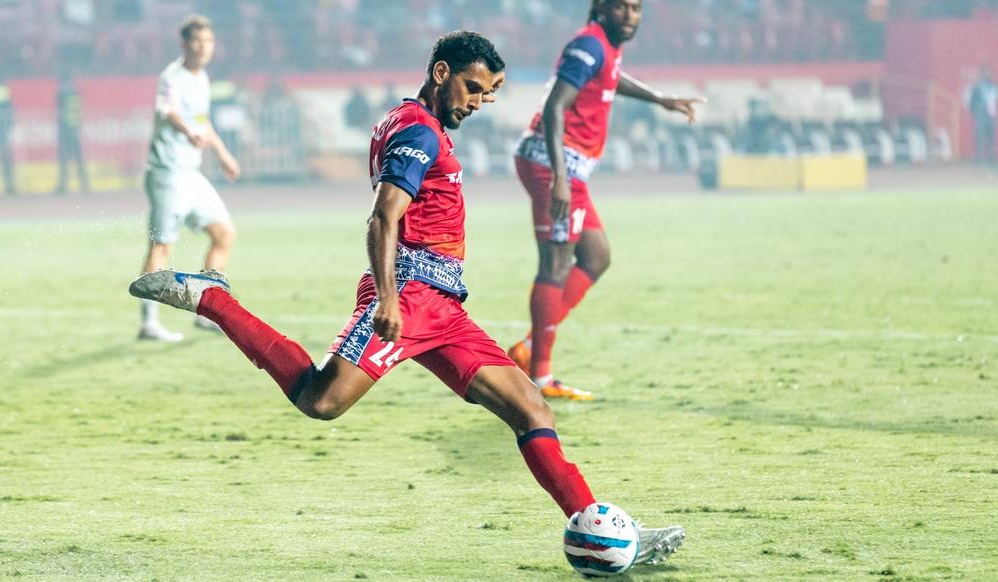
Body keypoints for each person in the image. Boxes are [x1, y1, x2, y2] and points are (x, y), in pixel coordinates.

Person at [129, 30, 684, 568]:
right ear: (440, 73)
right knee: (320, 401)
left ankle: (603, 527)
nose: (478, 102)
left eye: (487, 93)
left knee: (531, 408)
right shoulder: (418, 132)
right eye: (472, 87)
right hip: (411, 296)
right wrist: (389, 299)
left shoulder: (416, 122)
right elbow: (383, 216)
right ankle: (212, 299)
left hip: (444, 309)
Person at [508, 0, 703, 400]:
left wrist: (660, 99)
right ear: (602, 9)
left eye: (637, 8)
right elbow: (554, 107)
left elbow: (611, 78)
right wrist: (560, 178)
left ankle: (529, 348)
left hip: (569, 168)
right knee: (556, 264)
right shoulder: (589, 45)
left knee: (596, 257)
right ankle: (539, 375)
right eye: (622, 8)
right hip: (555, 165)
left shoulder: (606, 47)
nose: (630, 16)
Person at [137, 14, 241, 342]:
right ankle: (149, 322)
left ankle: (207, 311)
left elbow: (202, 120)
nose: (204, 48)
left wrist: (222, 154)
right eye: (197, 41)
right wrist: (187, 131)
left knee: (224, 233)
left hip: (191, 174)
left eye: (208, 42)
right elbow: (167, 111)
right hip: (167, 173)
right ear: (184, 44)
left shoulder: (202, 78)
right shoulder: (173, 76)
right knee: (161, 245)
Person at [56, 72, 89, 195]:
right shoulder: (76, 92)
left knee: (64, 158)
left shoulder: (61, 93)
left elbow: (59, 111)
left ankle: (63, 184)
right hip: (74, 128)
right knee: (78, 158)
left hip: (65, 129)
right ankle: (84, 182)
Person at [966, 65, 997, 170]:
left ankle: (991, 160)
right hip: (981, 116)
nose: (988, 75)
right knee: (979, 138)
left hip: (991, 116)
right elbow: (972, 102)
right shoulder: (977, 88)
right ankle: (979, 161)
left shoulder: (993, 87)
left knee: (991, 139)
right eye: (986, 73)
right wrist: (975, 112)